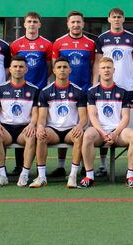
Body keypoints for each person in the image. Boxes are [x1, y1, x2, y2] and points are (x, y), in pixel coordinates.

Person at [94, 7, 133, 177]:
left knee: (127, 127)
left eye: (119, 17)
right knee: (104, 122)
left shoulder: (131, 38)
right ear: (109, 19)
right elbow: (97, 63)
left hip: (127, 88)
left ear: (123, 19)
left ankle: (132, 167)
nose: (116, 19)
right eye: (113, 17)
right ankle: (102, 165)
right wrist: (95, 84)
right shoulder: (102, 39)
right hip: (105, 88)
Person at [80, 57, 133, 188]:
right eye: (103, 68)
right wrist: (103, 133)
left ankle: (130, 176)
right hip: (99, 132)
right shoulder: (92, 91)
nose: (106, 70)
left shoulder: (123, 91)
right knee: (87, 135)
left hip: (117, 132)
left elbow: (125, 117)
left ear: (114, 70)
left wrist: (114, 133)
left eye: (109, 68)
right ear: (99, 70)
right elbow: (92, 116)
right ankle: (89, 176)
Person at [31, 58, 87, 189]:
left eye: (65, 67)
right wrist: (40, 126)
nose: (62, 69)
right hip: (53, 130)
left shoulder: (78, 91)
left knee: (79, 135)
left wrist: (79, 126)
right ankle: (41, 176)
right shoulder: (45, 91)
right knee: (41, 136)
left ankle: (72, 176)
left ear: (70, 70)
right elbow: (42, 116)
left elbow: (84, 118)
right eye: (59, 67)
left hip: (71, 130)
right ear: (54, 71)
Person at [51, 10, 95, 177]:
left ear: (83, 24)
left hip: (84, 90)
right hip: (64, 92)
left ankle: (86, 166)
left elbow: (93, 65)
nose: (76, 25)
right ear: (68, 24)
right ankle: (61, 166)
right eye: (73, 22)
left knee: (83, 129)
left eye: (79, 22)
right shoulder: (59, 43)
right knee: (62, 123)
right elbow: (55, 67)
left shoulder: (90, 43)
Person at [8, 12, 51, 177]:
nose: (32, 24)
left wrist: (37, 85)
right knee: (21, 123)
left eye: (35, 22)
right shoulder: (16, 45)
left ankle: (41, 167)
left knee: (39, 128)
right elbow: (13, 67)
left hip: (39, 90)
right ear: (24, 24)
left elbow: (48, 67)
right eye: (29, 22)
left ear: (39, 25)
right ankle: (20, 166)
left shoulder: (47, 44)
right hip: (20, 91)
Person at [0, 56, 39, 188]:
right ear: (10, 69)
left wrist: (32, 125)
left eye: (21, 67)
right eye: (15, 66)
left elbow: (35, 113)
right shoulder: (0, 89)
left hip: (24, 128)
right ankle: (2, 175)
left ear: (26, 70)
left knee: (32, 135)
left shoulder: (33, 89)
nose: (18, 69)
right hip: (5, 128)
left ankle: (24, 173)